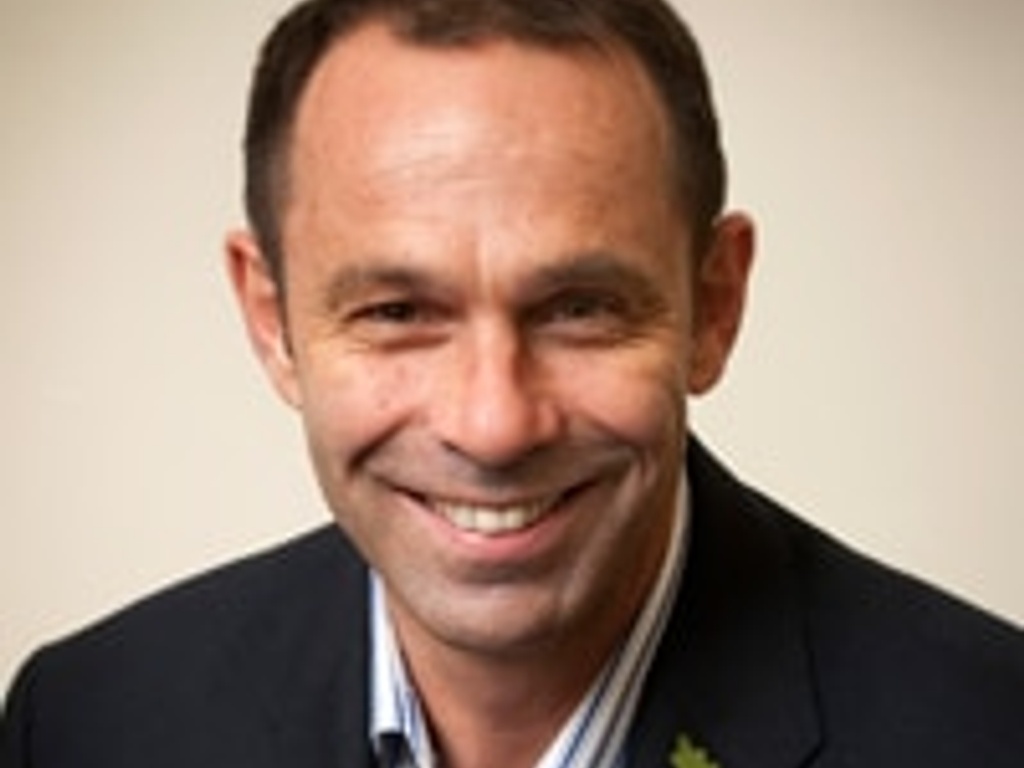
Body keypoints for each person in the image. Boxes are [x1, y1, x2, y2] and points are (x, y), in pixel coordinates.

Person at [2, 0, 1022, 765]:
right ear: (271, 322)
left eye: (579, 307)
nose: (493, 426)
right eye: (398, 313)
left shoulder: (987, 730)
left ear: (714, 306)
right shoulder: (88, 720)